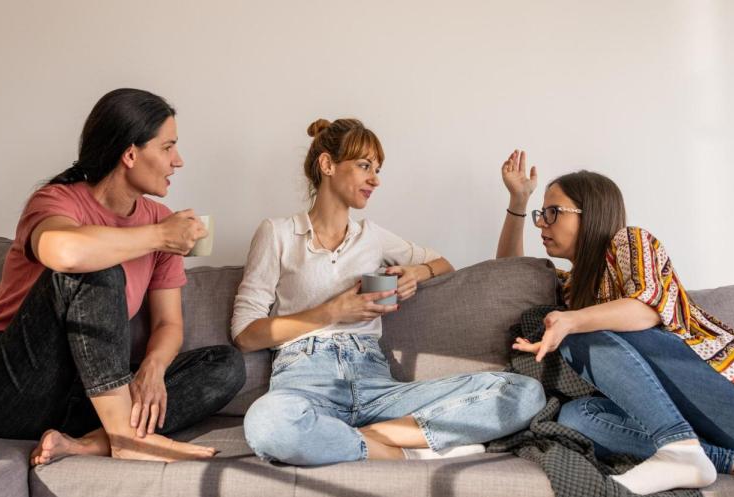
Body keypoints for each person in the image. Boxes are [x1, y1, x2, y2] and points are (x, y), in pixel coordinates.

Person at [231, 119, 545, 466]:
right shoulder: (277, 233)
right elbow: (245, 335)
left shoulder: (373, 237)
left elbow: (443, 264)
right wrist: (333, 311)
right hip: (306, 384)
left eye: (377, 169)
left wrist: (417, 273)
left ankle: (358, 439)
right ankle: (402, 450)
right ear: (327, 164)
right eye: (364, 166)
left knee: (524, 393)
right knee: (267, 424)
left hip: (376, 386)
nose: (375, 180)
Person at [0, 88, 244, 465]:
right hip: (12, 389)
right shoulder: (56, 200)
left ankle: (88, 443)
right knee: (97, 265)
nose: (178, 161)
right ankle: (126, 437)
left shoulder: (161, 219)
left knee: (225, 365)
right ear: (130, 154)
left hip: (90, 396)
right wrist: (161, 236)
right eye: (167, 147)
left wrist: (153, 368)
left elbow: (168, 323)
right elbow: (66, 252)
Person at [496, 149, 734, 494]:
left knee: (577, 331)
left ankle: (678, 448)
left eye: (553, 212)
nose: (542, 223)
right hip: (698, 422)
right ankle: (730, 461)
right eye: (541, 214)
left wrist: (571, 321)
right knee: (576, 418)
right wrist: (518, 202)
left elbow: (647, 309)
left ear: (590, 213)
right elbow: (508, 275)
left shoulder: (628, 241)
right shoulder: (571, 288)